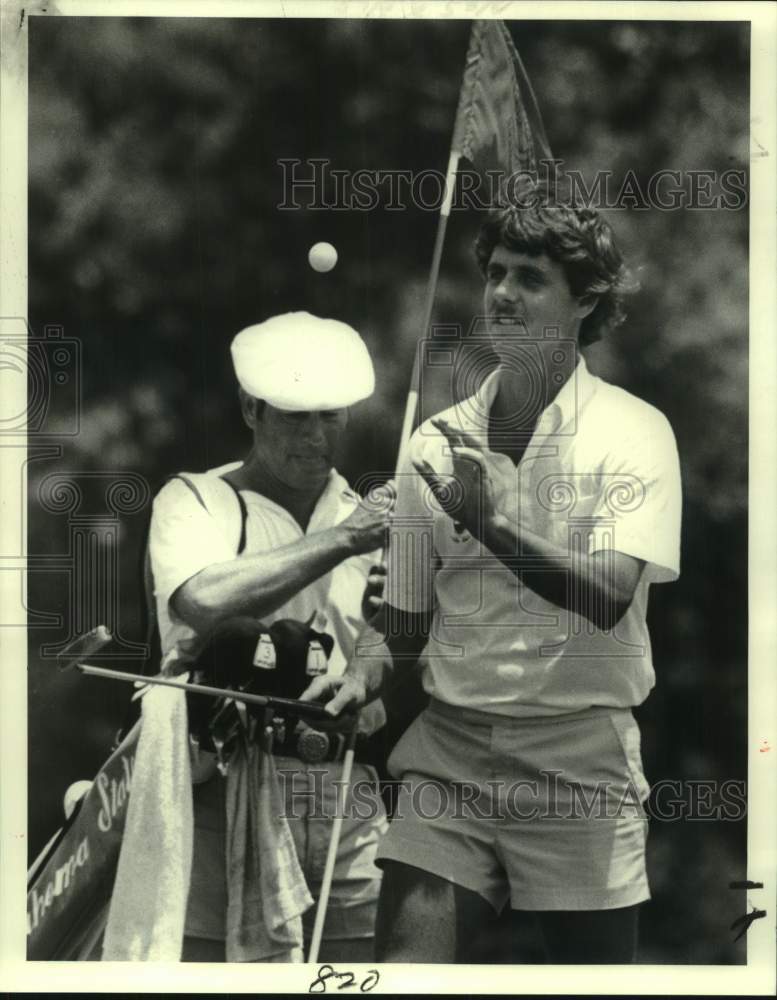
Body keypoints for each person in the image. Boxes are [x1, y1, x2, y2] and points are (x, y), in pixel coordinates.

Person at [301, 186, 682, 964]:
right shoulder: (432, 442)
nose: (503, 292)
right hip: (452, 755)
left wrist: (493, 524)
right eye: (496, 272)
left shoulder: (636, 432)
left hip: (582, 758)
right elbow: (404, 630)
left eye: (530, 278)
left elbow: (606, 595)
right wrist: (361, 675)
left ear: (584, 302)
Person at [146, 311, 393, 963]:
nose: (315, 436)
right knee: (206, 969)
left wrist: (368, 669)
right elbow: (203, 600)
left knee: (354, 971)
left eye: (329, 415)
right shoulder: (196, 499)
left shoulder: (373, 516)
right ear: (250, 409)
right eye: (294, 415)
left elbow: (388, 634)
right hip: (214, 784)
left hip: (341, 788)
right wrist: (344, 541)